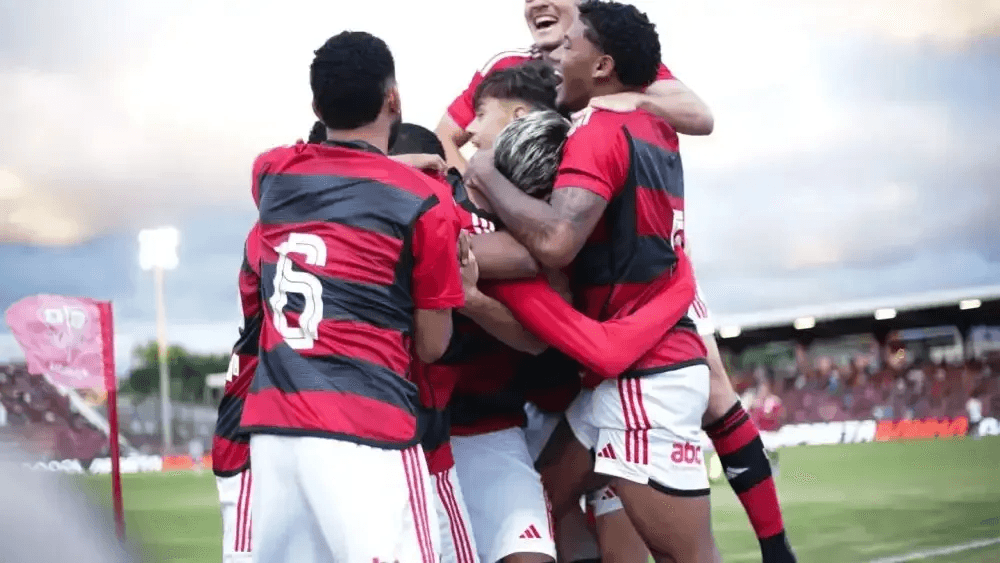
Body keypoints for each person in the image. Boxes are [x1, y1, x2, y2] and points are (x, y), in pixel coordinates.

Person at [467, 3, 720, 560]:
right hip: (629, 367)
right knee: (541, 499)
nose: (556, 55)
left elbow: (557, 241)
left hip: (643, 377)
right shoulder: (652, 125)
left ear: (602, 65)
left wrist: (486, 175)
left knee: (689, 556)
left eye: (570, 46)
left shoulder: (598, 132)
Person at [240, 31, 465, 562]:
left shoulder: (272, 172)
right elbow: (433, 346)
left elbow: (340, 173)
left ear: (316, 106)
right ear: (395, 100)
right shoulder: (426, 201)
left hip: (275, 433)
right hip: (367, 428)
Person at [435, 0, 713, 173]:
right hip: (526, 227)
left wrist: (636, 100)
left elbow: (700, 117)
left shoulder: (618, 64)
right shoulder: (505, 66)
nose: (537, 4)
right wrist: (473, 199)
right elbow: (442, 137)